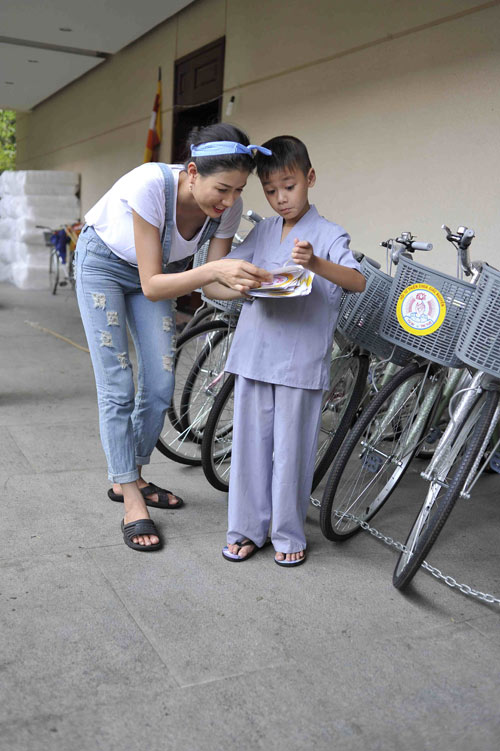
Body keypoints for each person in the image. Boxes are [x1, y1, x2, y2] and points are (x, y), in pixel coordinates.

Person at [75, 123, 272, 552]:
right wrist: (215, 271)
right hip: (104, 265)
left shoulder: (225, 211)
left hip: (159, 277)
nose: (230, 201)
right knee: (118, 384)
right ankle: (129, 493)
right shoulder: (150, 185)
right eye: (223, 189)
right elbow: (154, 284)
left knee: (161, 383)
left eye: (239, 190)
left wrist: (255, 285)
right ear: (192, 172)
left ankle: (133, 473)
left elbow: (209, 287)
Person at [203, 135, 366, 566]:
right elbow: (221, 279)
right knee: (250, 449)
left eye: (289, 187)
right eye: (271, 191)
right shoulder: (265, 230)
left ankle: (288, 533)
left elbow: (356, 281)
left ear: (309, 179)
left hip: (299, 361)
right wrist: (243, 284)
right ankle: (245, 530)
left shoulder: (329, 234)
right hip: (255, 354)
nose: (280, 199)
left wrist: (314, 264)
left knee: (292, 453)